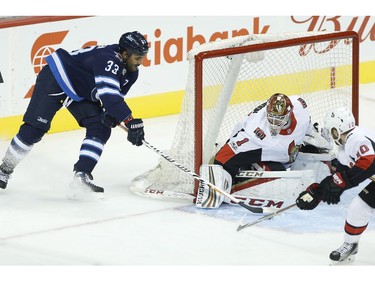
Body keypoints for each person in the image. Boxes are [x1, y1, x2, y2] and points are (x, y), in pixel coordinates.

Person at [0, 31, 149, 199]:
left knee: (100, 127)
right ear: (124, 54)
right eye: (137, 58)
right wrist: (130, 121)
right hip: (57, 77)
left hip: (79, 91)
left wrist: (112, 116)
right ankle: (4, 170)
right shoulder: (109, 58)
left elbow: (113, 103)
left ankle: (81, 177)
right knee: (34, 130)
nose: (141, 62)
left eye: (142, 57)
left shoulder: (131, 73)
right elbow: (109, 96)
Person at [195, 93, 332, 208]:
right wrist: (217, 172)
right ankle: (245, 173)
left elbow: (305, 123)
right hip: (257, 150)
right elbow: (225, 155)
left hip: (284, 154)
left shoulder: (300, 108)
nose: (273, 124)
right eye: (271, 118)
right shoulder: (256, 132)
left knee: (323, 151)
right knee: (280, 181)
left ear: (289, 114)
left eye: (279, 120)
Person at [296, 106, 375, 265]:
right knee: (358, 208)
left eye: (331, 131)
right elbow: (339, 176)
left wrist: (342, 182)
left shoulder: (356, 138)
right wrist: (318, 192)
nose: (331, 135)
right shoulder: (344, 148)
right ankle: (350, 245)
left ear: (337, 129)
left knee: (359, 207)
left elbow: (370, 161)